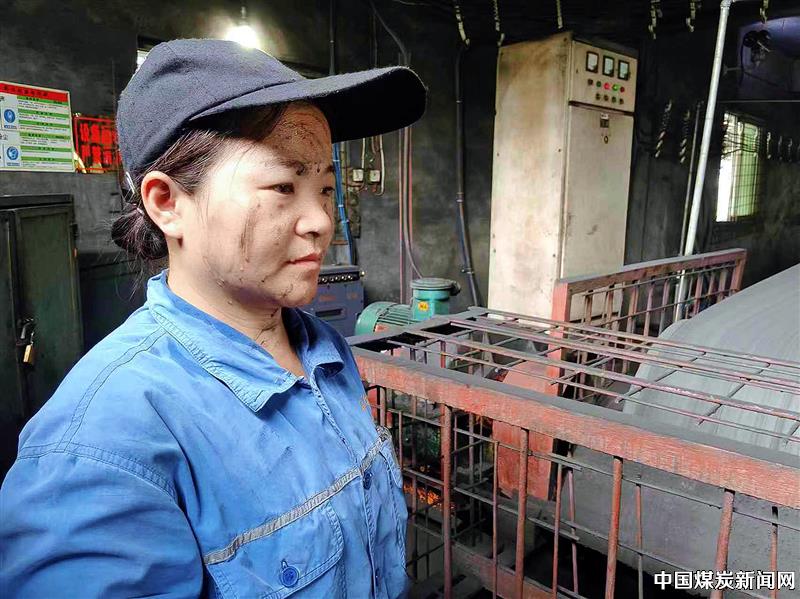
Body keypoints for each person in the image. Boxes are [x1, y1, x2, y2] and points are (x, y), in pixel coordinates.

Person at [0, 39, 426, 599]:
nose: (322, 220)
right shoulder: (102, 448)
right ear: (167, 203)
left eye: (325, 187)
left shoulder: (323, 350)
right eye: (283, 186)